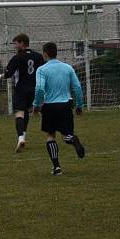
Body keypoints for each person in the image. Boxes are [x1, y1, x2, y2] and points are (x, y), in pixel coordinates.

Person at [33, 42, 85, 176]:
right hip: (66, 105)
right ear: (56, 53)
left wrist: (37, 105)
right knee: (66, 135)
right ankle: (72, 139)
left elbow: (39, 88)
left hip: (49, 106)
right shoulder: (68, 68)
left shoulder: (42, 70)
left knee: (50, 136)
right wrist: (79, 105)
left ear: (45, 54)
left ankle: (57, 168)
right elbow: (77, 87)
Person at [0, 33, 44, 152]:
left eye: (15, 43)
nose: (14, 46)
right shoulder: (38, 56)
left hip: (21, 89)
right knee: (28, 111)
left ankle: (21, 138)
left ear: (22, 43)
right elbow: (44, 71)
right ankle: (24, 135)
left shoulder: (17, 57)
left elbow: (8, 74)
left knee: (19, 114)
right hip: (34, 89)